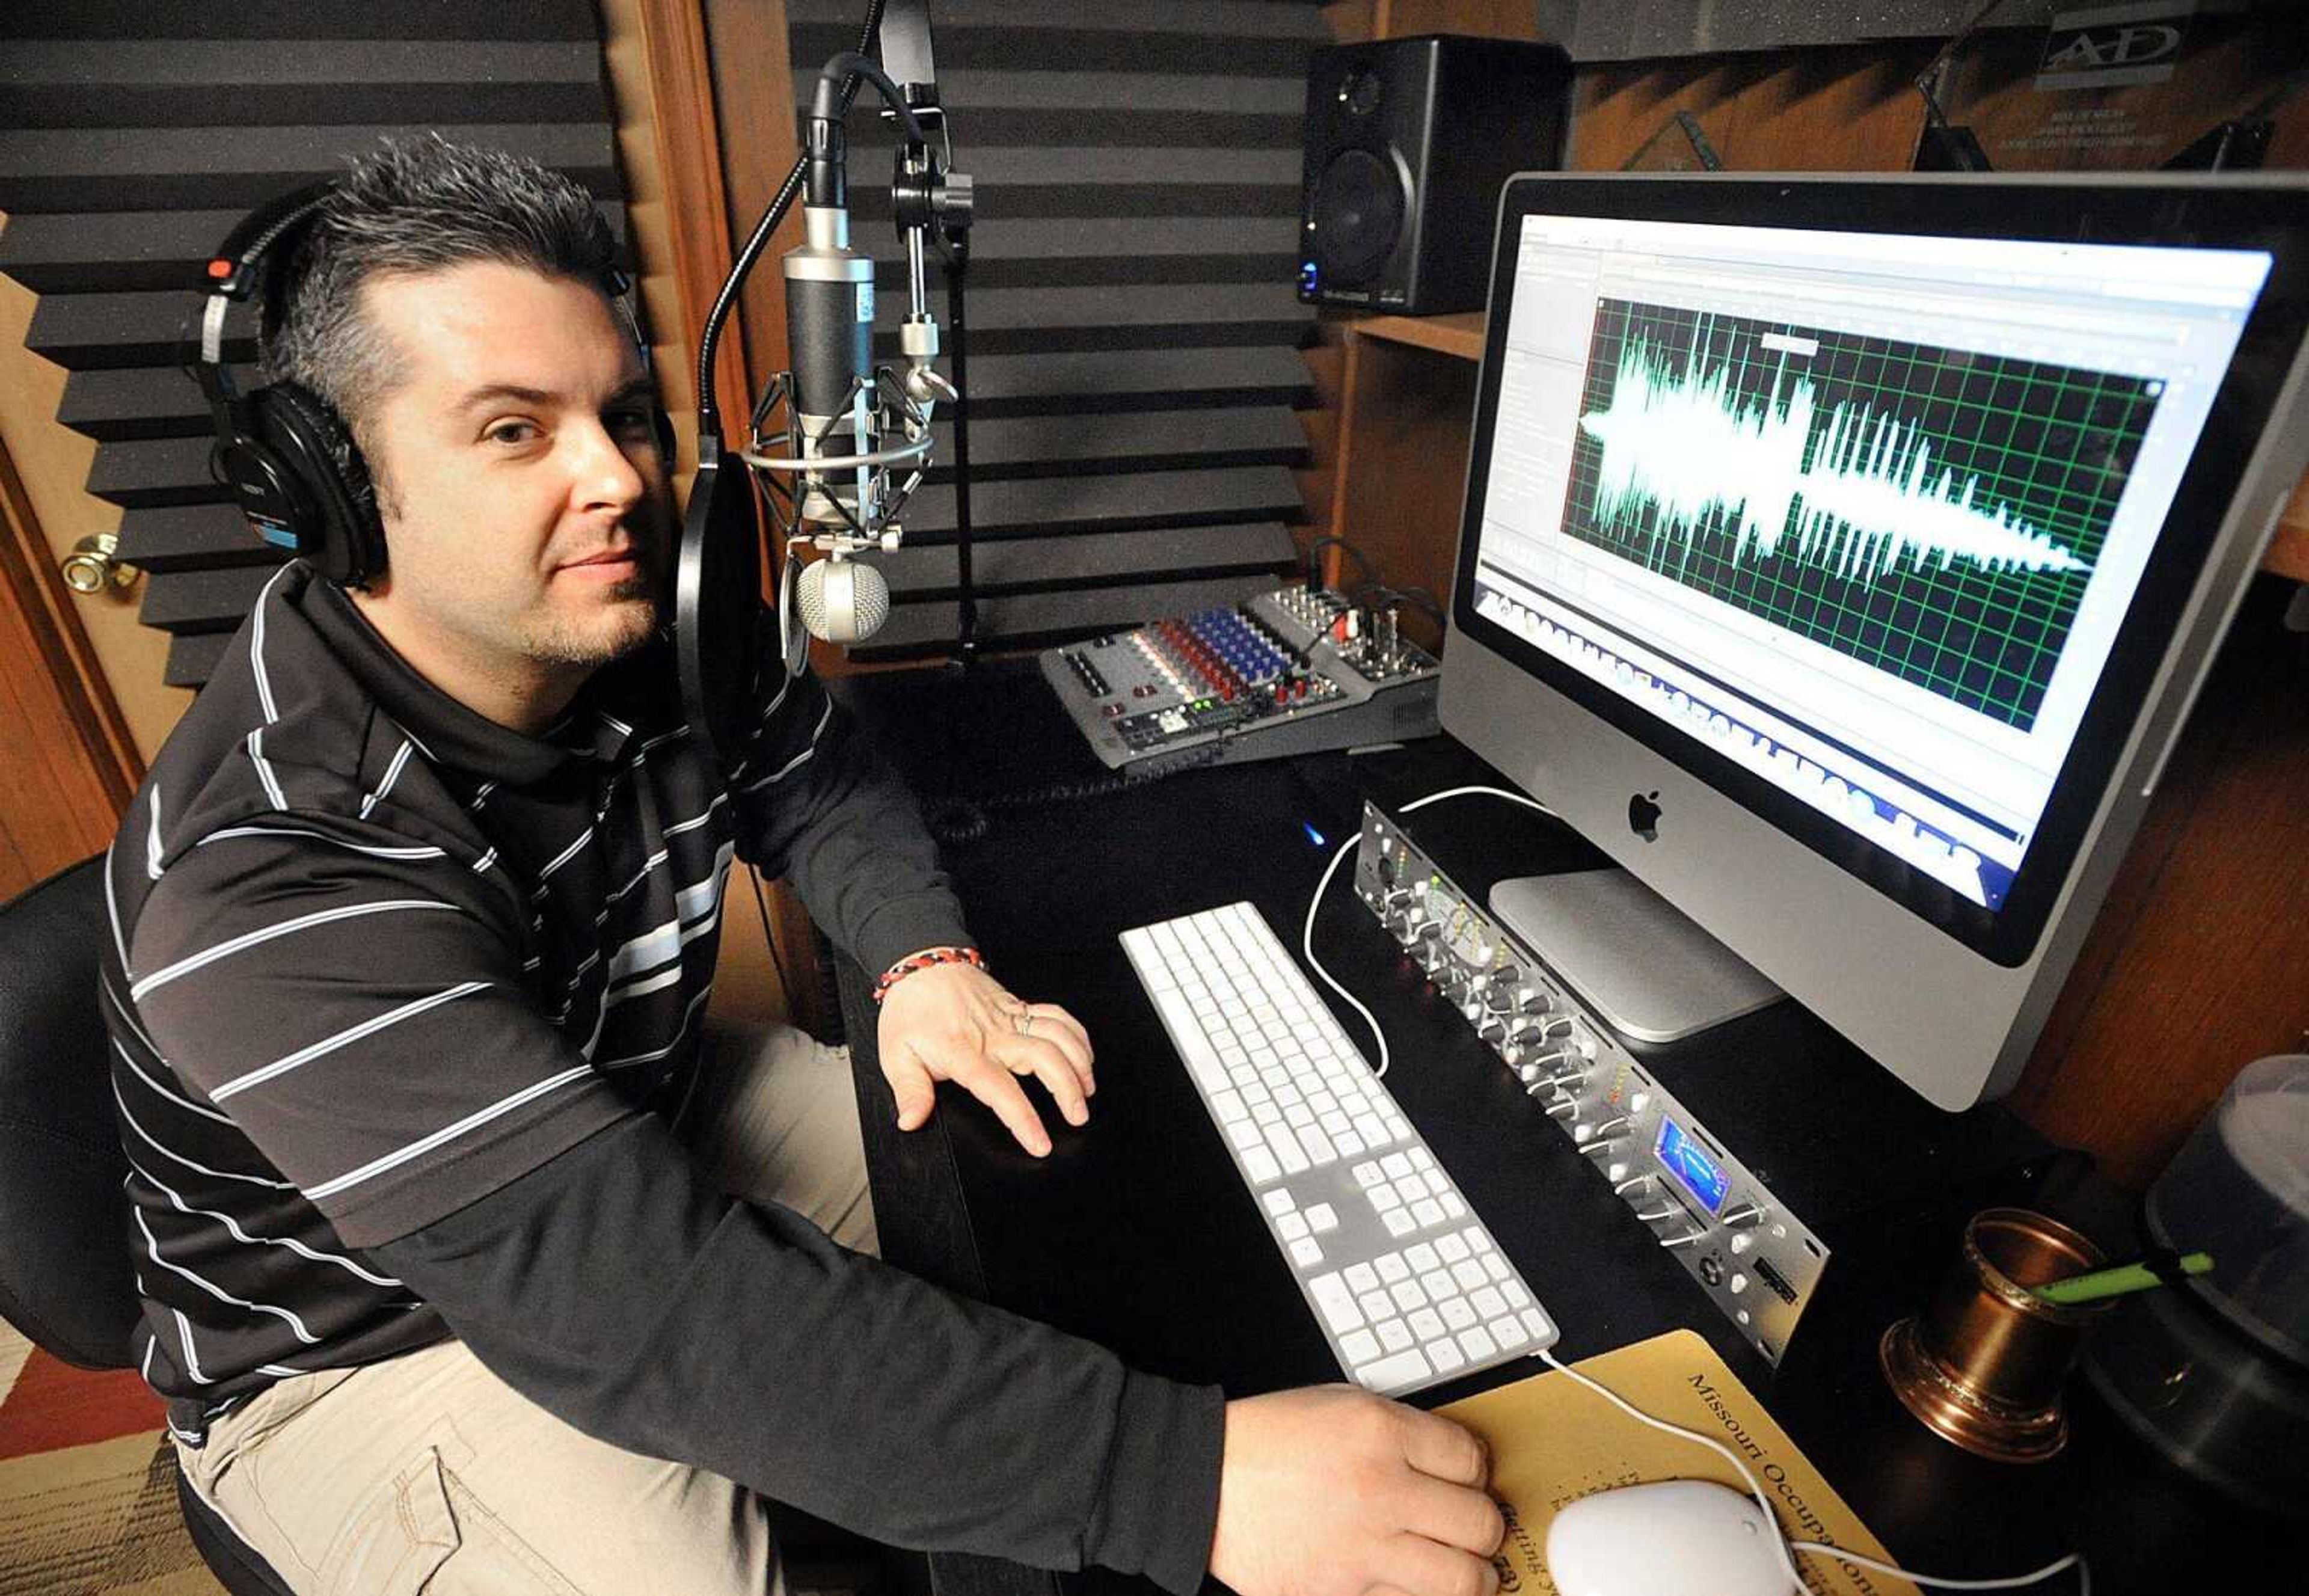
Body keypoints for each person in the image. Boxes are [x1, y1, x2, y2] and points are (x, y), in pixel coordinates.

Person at [100, 135, 1506, 1596]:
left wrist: (924, 962)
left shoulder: (641, 637)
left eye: (626, 413)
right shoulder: (272, 865)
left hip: (634, 1124)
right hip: (364, 1346)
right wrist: (1182, 1484)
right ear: (328, 487)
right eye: (515, 431)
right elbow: (634, 1302)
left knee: (1057, 1188)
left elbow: (821, 779)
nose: (618, 481)